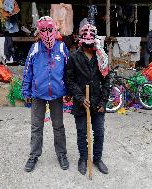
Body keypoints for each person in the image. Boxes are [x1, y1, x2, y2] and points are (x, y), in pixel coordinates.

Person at [22, 16, 69, 172]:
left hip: (57, 93)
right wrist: (26, 90)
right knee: (36, 126)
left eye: (50, 29)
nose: (47, 33)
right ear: (39, 31)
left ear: (55, 29)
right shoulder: (35, 48)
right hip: (38, 93)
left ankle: (62, 154)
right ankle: (33, 155)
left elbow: (68, 71)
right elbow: (28, 70)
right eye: (43, 30)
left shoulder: (62, 47)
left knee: (58, 126)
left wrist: (68, 90)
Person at [65, 24, 110, 175]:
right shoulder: (74, 57)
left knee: (99, 132)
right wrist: (80, 97)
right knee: (81, 132)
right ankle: (83, 158)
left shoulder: (101, 56)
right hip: (80, 102)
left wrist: (103, 102)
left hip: (98, 102)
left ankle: (97, 159)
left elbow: (107, 81)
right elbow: (69, 80)